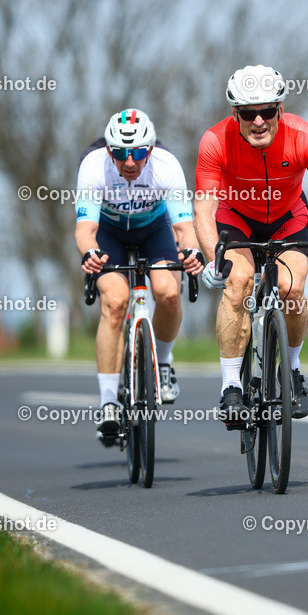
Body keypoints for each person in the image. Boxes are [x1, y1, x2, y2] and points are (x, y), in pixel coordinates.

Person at [193, 65, 308, 429]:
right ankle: (231, 385)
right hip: (236, 218)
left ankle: (291, 370)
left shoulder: (305, 136)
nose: (258, 121)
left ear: (281, 109)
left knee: (292, 288)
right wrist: (215, 258)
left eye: (267, 111)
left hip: (287, 216)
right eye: (248, 113)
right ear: (236, 114)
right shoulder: (215, 141)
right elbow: (204, 207)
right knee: (238, 284)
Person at [75, 108, 204, 446]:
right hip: (109, 235)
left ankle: (162, 363)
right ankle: (108, 402)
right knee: (115, 302)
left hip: (154, 231)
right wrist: (89, 253)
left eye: (136, 154)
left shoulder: (167, 165)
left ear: (149, 150)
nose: (129, 162)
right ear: (108, 151)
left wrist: (191, 252)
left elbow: (183, 227)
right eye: (120, 154)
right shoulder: (92, 167)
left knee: (168, 293)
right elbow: (85, 229)